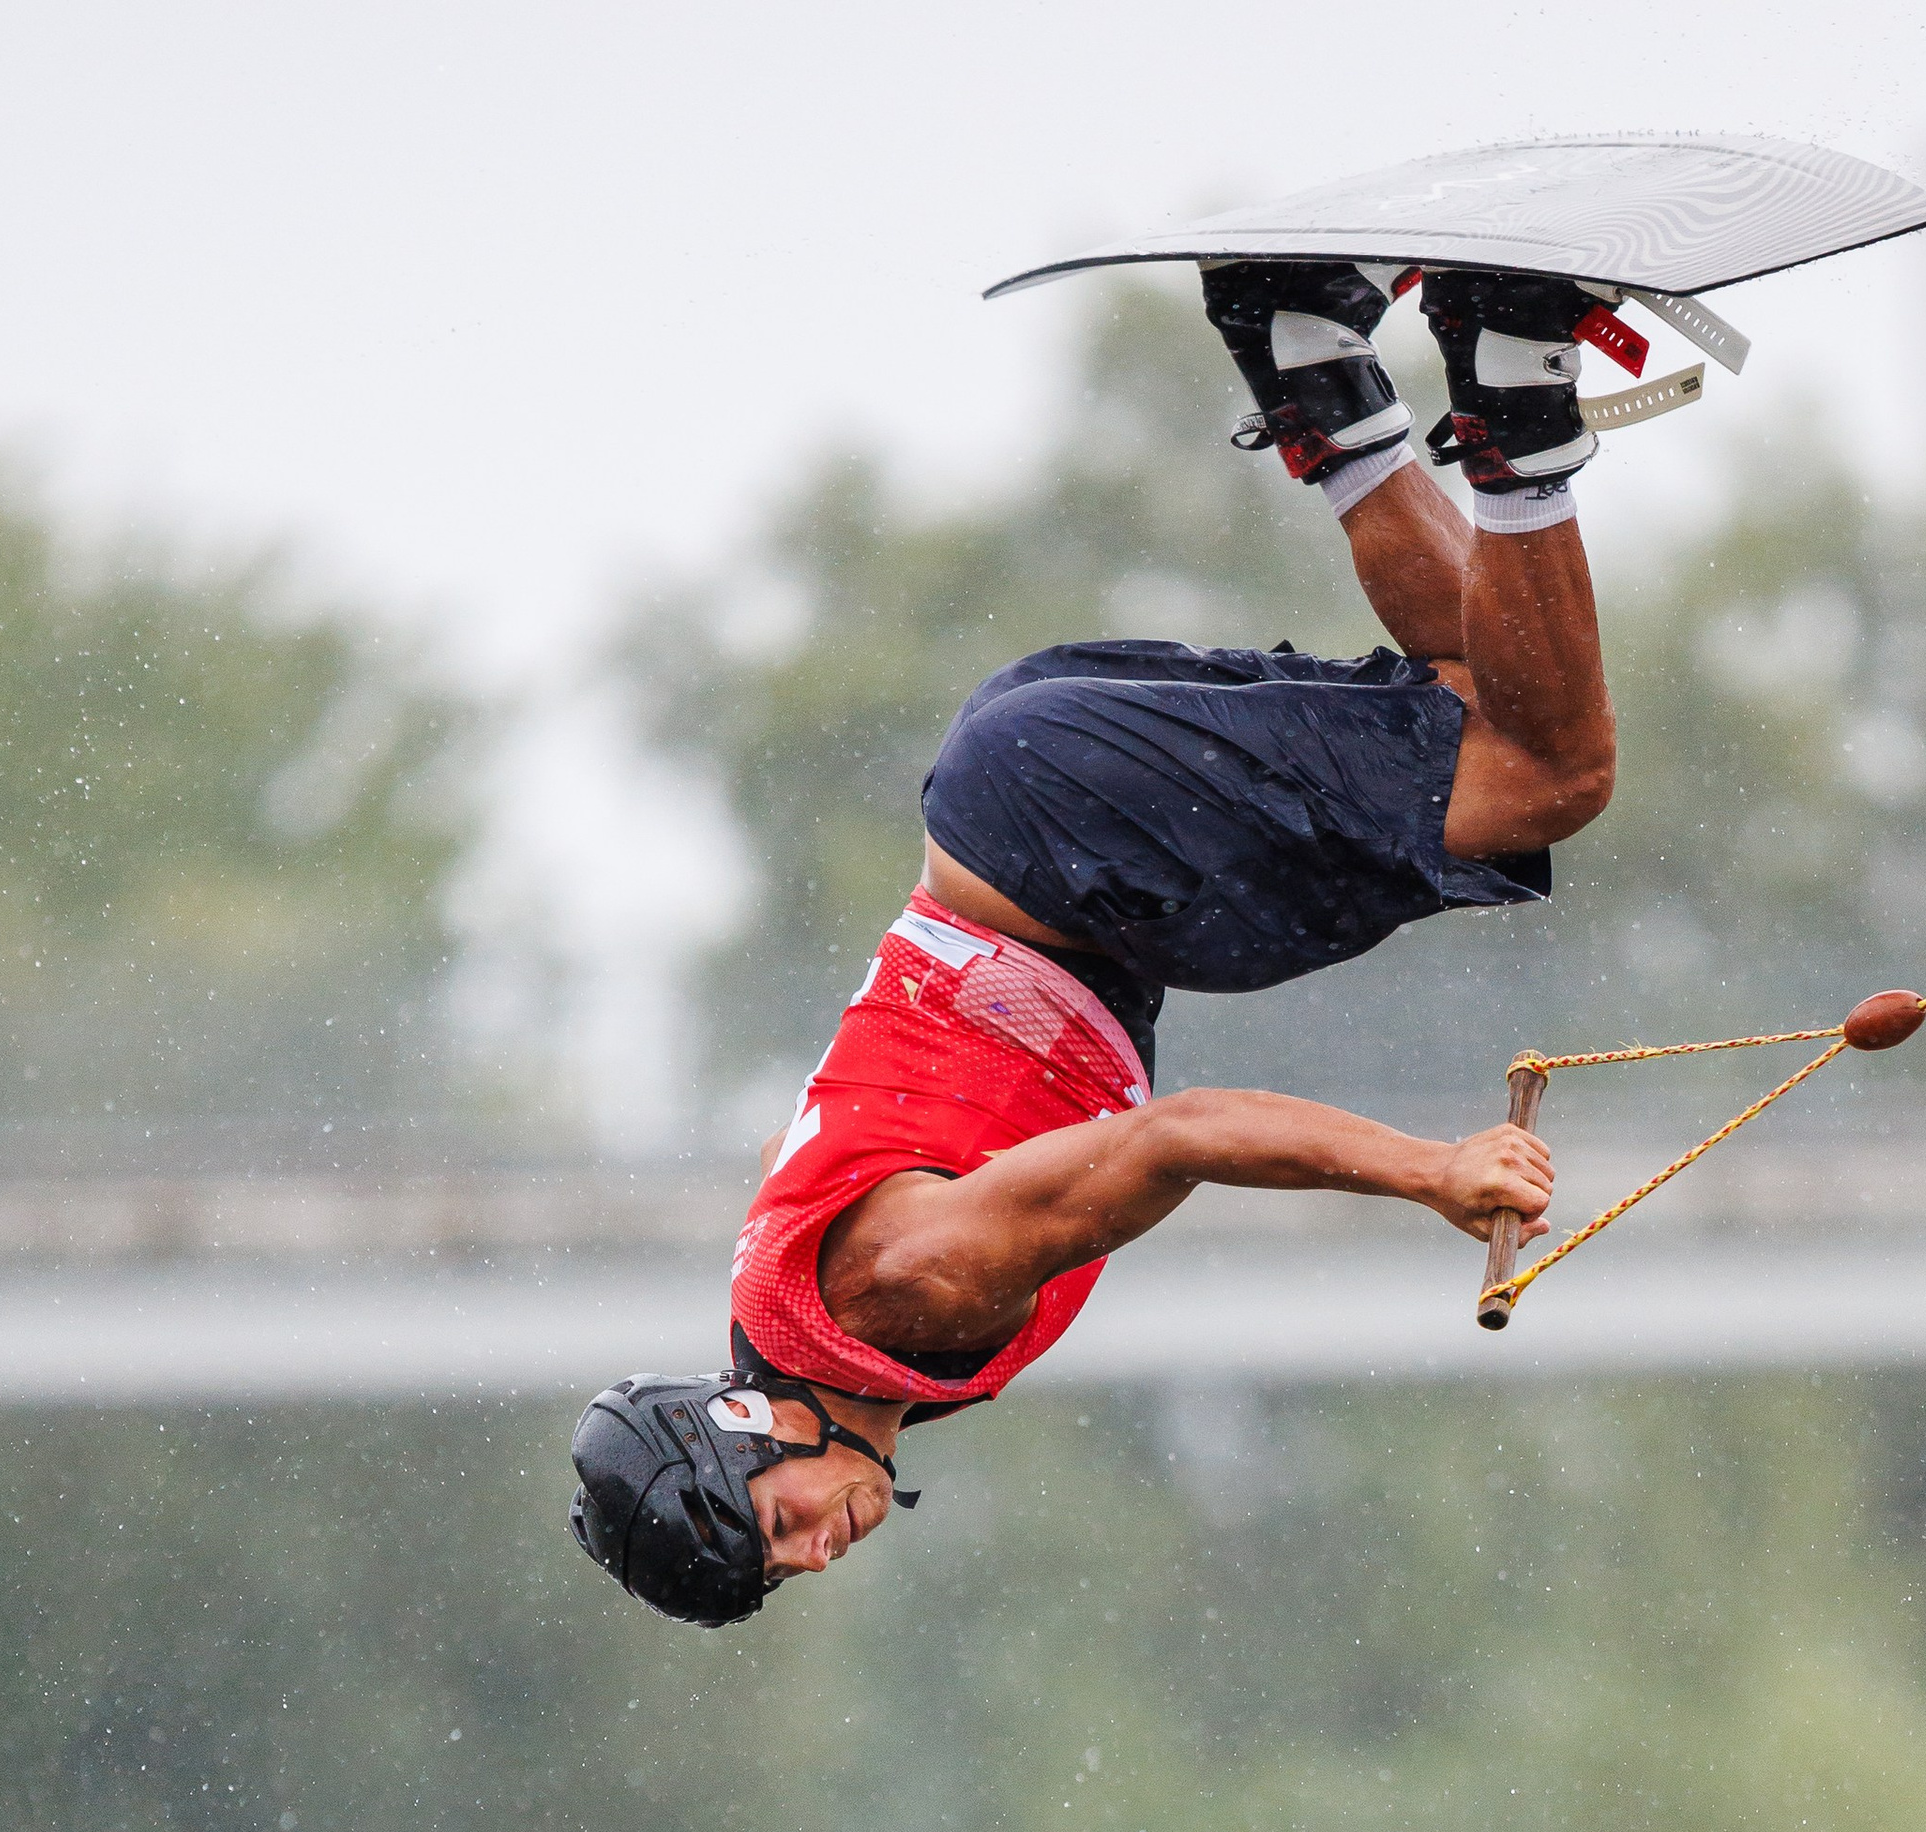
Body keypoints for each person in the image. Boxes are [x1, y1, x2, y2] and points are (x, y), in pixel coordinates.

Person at [571, 263, 1621, 1625]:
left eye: (777, 1528)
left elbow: (1168, 1141)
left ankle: (1515, 360)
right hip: (1044, 814)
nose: (818, 1553)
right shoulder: (839, 1342)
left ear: (748, 1427)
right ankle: (1315, 360)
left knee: (1548, 777)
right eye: (785, 1573)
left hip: (1076, 845)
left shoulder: (904, 1294)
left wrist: (1435, 1175)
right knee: (1488, 691)